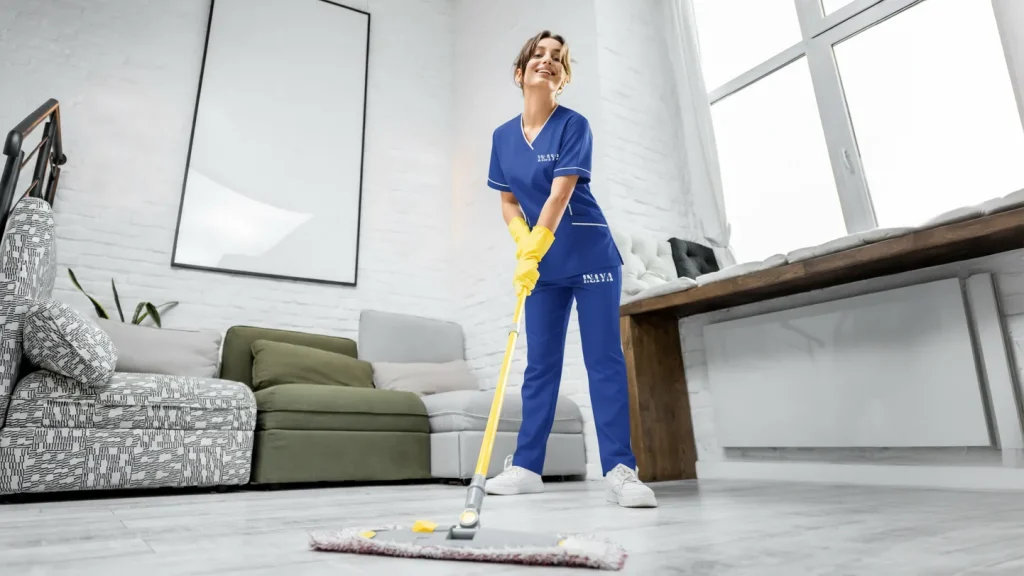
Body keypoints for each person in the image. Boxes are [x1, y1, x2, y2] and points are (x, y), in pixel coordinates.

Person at [483, 30, 658, 508]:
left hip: (589, 256)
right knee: (540, 366)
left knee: (603, 360)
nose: (548, 60)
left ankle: (620, 469)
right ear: (519, 73)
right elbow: (508, 201)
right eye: (538, 54)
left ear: (562, 78)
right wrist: (523, 243)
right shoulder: (502, 137)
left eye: (557, 58)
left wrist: (535, 244)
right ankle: (526, 467)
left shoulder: (573, 125)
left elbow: (560, 194)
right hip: (543, 265)